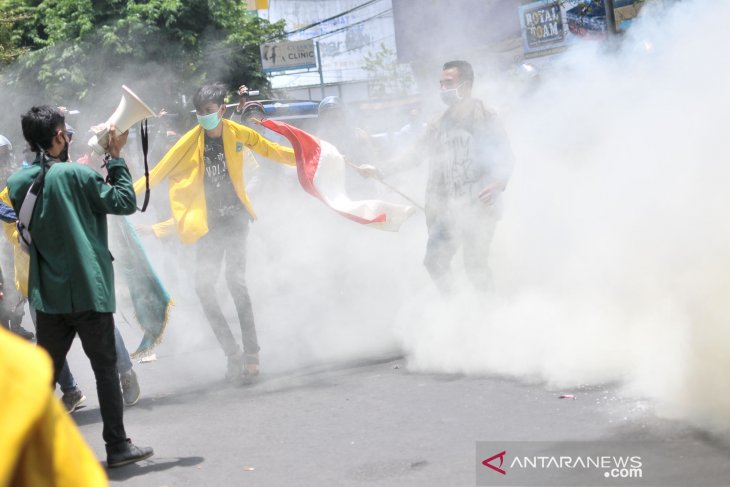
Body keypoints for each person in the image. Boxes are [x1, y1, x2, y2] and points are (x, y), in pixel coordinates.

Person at [6, 105, 153, 467]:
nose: (68, 139)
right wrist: (115, 158)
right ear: (58, 136)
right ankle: (117, 446)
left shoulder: (16, 184)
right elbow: (124, 202)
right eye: (66, 134)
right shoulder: (79, 175)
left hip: (49, 297)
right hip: (90, 290)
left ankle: (24, 450)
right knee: (105, 370)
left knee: (44, 376)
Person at [132, 83, 296, 382]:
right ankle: (231, 352)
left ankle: (252, 352)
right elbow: (157, 173)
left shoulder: (238, 133)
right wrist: (125, 195)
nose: (204, 117)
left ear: (222, 110)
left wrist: (304, 157)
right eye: (199, 112)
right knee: (203, 288)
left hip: (236, 222)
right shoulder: (189, 142)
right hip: (208, 226)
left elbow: (271, 150)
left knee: (236, 283)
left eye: (209, 111)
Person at [359, 60, 514, 293]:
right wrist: (380, 170)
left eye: (448, 83)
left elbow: (505, 157)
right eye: (441, 84)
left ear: (466, 85)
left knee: (475, 266)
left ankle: (490, 314)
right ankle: (454, 309)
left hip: (479, 209)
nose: (443, 89)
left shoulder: (486, 117)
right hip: (447, 211)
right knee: (434, 262)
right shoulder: (438, 123)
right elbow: (414, 155)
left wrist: (497, 184)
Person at [0, 327, 108, 486]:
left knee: (52, 342)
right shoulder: (16, 366)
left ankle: (72, 390)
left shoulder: (17, 366)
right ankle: (117, 445)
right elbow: (75, 479)